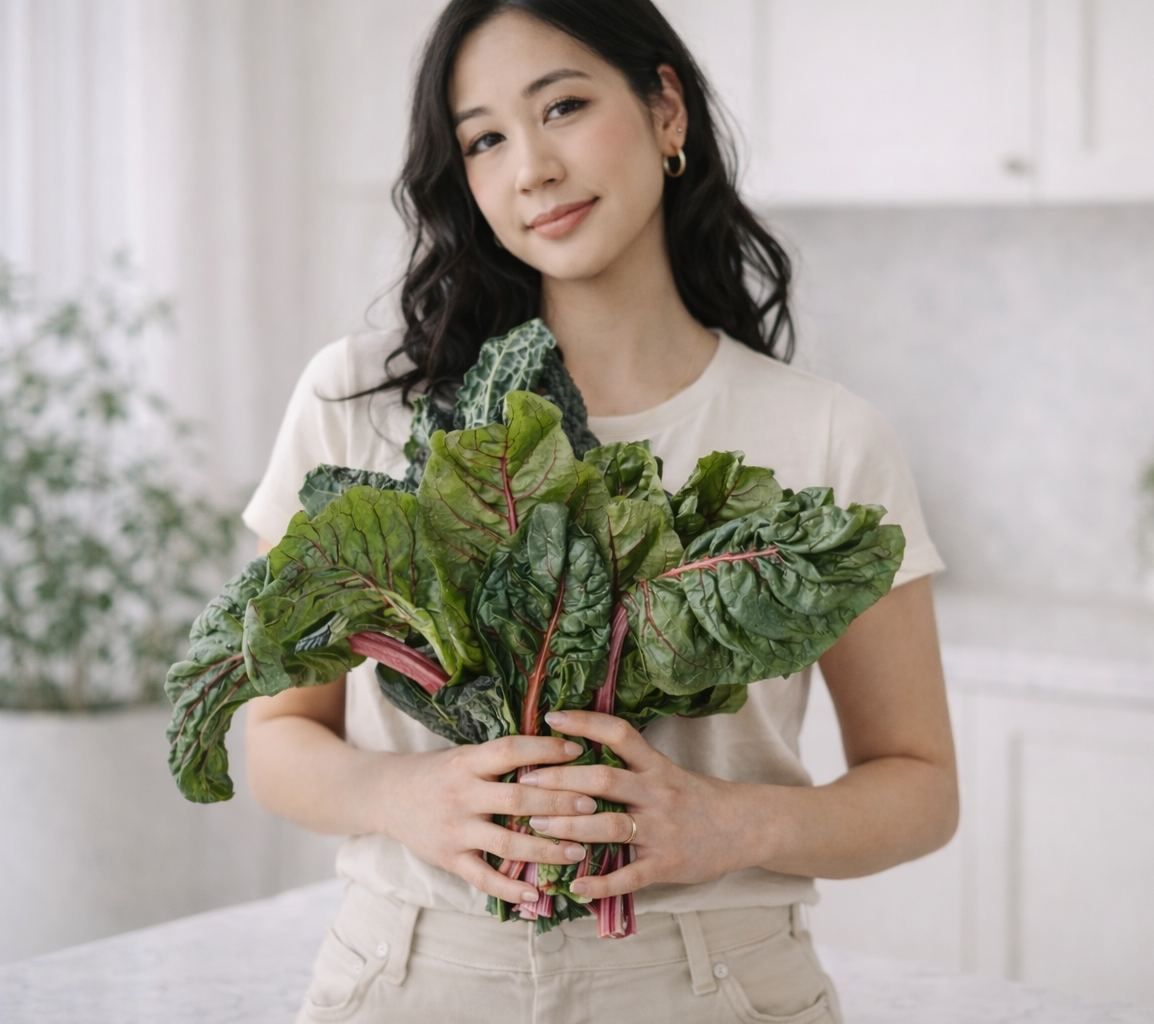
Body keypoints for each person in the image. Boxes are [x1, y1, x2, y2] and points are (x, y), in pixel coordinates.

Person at [242, 2, 955, 1021]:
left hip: (714, 984)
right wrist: (407, 799)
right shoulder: (359, 404)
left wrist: (730, 825)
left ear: (667, 110)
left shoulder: (828, 435)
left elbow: (920, 787)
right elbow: (277, 737)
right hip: (413, 978)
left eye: (563, 106)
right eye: (484, 138)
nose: (529, 166)